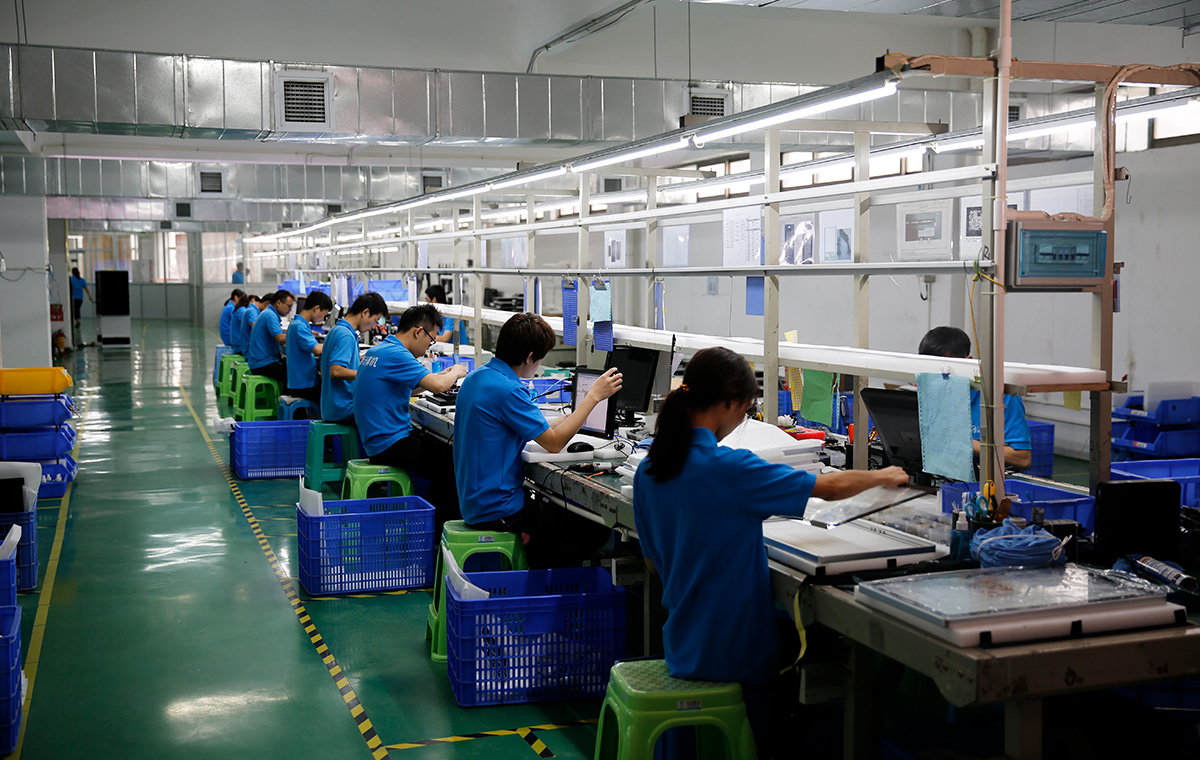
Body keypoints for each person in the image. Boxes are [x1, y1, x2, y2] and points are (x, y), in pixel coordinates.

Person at [632, 347, 909, 757]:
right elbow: (829, 488)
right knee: (836, 653)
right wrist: (882, 476)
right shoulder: (731, 469)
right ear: (730, 404)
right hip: (735, 653)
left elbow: (652, 562)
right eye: (746, 410)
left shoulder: (648, 469)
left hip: (683, 644)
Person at [453, 312, 620, 568]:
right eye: (540, 358)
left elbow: (527, 426)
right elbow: (554, 444)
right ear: (530, 357)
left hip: (475, 501)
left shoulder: (479, 377)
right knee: (593, 528)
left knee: (557, 510)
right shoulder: (509, 390)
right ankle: (542, 580)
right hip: (499, 509)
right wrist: (593, 397)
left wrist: (566, 418)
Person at [355, 304, 467, 516]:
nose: (428, 347)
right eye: (430, 340)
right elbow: (438, 387)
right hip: (389, 443)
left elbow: (413, 385)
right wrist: (457, 372)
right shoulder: (397, 355)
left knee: (442, 449)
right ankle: (441, 526)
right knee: (453, 463)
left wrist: (441, 375)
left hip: (376, 438)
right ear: (418, 332)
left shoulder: (381, 350)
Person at [918, 326, 1032, 471]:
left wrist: (961, 442)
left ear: (967, 362)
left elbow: (1022, 458)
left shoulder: (1000, 396)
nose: (936, 377)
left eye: (944, 368)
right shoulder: (930, 393)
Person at [320, 292, 388, 425]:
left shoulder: (337, 330)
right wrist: (368, 374)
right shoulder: (346, 335)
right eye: (375, 320)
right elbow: (336, 371)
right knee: (389, 415)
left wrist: (360, 358)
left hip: (332, 407)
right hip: (344, 409)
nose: (374, 326)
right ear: (365, 312)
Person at [286, 291, 332, 404]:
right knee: (333, 394)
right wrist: (335, 343)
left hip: (300, 382)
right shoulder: (299, 326)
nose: (323, 318)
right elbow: (317, 349)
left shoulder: (298, 323)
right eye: (324, 314)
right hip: (303, 385)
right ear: (316, 309)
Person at [247, 290, 295, 388]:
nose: (290, 310)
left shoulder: (268, 313)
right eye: (289, 306)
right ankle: (288, 396)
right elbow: (280, 338)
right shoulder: (270, 315)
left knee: (289, 366)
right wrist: (298, 335)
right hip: (262, 364)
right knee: (294, 371)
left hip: (258, 361)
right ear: (278, 303)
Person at [240, 295, 268, 361]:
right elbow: (255, 328)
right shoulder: (252, 311)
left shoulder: (252, 309)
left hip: (247, 348)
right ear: (267, 304)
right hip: (250, 352)